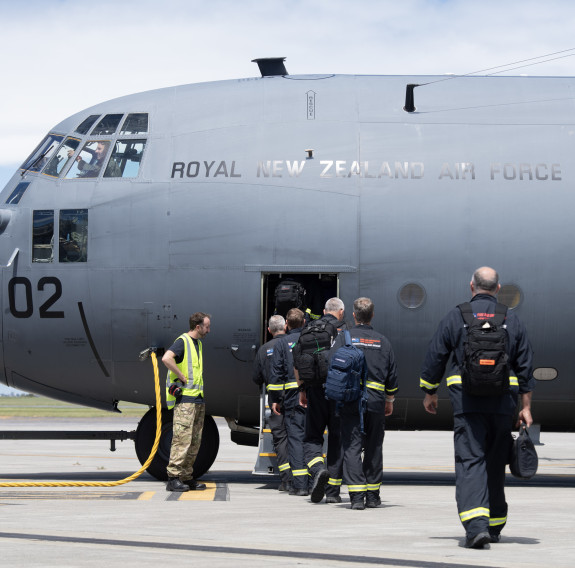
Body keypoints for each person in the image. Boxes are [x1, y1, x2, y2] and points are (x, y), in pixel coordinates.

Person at [420, 267, 534, 549]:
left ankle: (476, 528)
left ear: (471, 286)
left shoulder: (456, 316)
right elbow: (525, 365)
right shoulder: (511, 318)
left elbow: (436, 355)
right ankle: (494, 525)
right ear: (497, 288)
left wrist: (429, 392)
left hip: (467, 402)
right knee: (495, 464)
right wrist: (526, 407)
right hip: (502, 404)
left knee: (471, 461)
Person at [332, 297, 398, 510]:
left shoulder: (344, 338)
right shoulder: (383, 341)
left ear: (353, 315)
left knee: (351, 447)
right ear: (372, 315)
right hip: (377, 402)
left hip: (351, 402)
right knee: (374, 447)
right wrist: (389, 400)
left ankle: (357, 498)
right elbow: (392, 376)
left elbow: (332, 366)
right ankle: (373, 496)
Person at [293, 297, 346, 504]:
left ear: (324, 310)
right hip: (337, 392)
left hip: (314, 390)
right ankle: (333, 493)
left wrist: (302, 389)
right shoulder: (342, 329)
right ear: (340, 311)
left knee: (312, 437)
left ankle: (317, 469)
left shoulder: (309, 328)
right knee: (336, 439)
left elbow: (297, 361)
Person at [162, 312, 211, 492]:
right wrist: (180, 376)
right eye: (207, 326)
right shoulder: (183, 341)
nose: (209, 330)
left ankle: (186, 476)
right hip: (185, 401)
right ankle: (173, 477)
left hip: (197, 399)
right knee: (181, 439)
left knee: (194, 440)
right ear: (198, 327)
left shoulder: (197, 344)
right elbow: (167, 358)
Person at [252, 314, 294, 492]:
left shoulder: (264, 350)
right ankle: (301, 476)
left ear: (269, 330)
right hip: (295, 398)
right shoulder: (294, 344)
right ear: (285, 327)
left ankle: (286, 480)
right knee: (297, 437)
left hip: (275, 401)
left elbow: (256, 378)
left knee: (281, 440)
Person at [269, 308, 308, 496]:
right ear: (304, 323)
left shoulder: (282, 343)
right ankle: (315, 475)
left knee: (295, 438)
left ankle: (300, 485)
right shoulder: (311, 338)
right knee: (313, 438)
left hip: (292, 396)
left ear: (286, 324)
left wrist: (274, 400)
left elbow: (276, 374)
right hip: (313, 395)